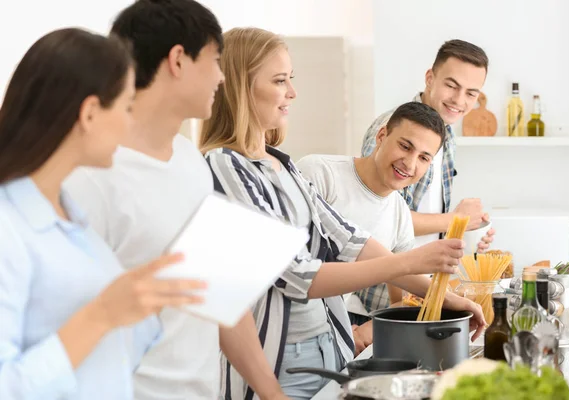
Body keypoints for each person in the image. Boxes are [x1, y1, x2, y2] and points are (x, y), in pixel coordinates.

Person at [200, 27, 485, 400]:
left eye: (292, 79)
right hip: (281, 361)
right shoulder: (225, 166)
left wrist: (445, 296)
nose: (292, 93)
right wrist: (409, 262)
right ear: (241, 86)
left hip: (330, 345)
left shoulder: (283, 166)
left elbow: (351, 239)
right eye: (280, 80)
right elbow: (297, 276)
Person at [64, 1, 287, 399]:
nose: (222, 77)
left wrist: (272, 392)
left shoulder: (189, 161)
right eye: (216, 60)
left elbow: (217, 297)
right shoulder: (88, 177)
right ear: (178, 60)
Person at [0, 28, 205, 400]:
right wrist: (102, 315)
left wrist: (146, 301)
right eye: (126, 107)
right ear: (91, 113)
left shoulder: (73, 220)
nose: (130, 123)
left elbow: (108, 361)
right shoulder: (7, 227)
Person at [297, 101, 447, 354]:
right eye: (404, 146)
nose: (410, 164)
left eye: (423, 158)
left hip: (333, 339)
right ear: (381, 135)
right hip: (292, 336)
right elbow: (295, 271)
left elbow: (402, 300)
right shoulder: (320, 174)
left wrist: (373, 328)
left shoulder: (399, 211)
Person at [361, 39, 495, 253]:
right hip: (388, 282)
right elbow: (378, 215)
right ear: (430, 79)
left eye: (471, 93)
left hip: (427, 279)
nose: (459, 101)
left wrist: (466, 232)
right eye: (451, 86)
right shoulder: (392, 129)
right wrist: (455, 220)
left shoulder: (447, 135)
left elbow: (428, 220)